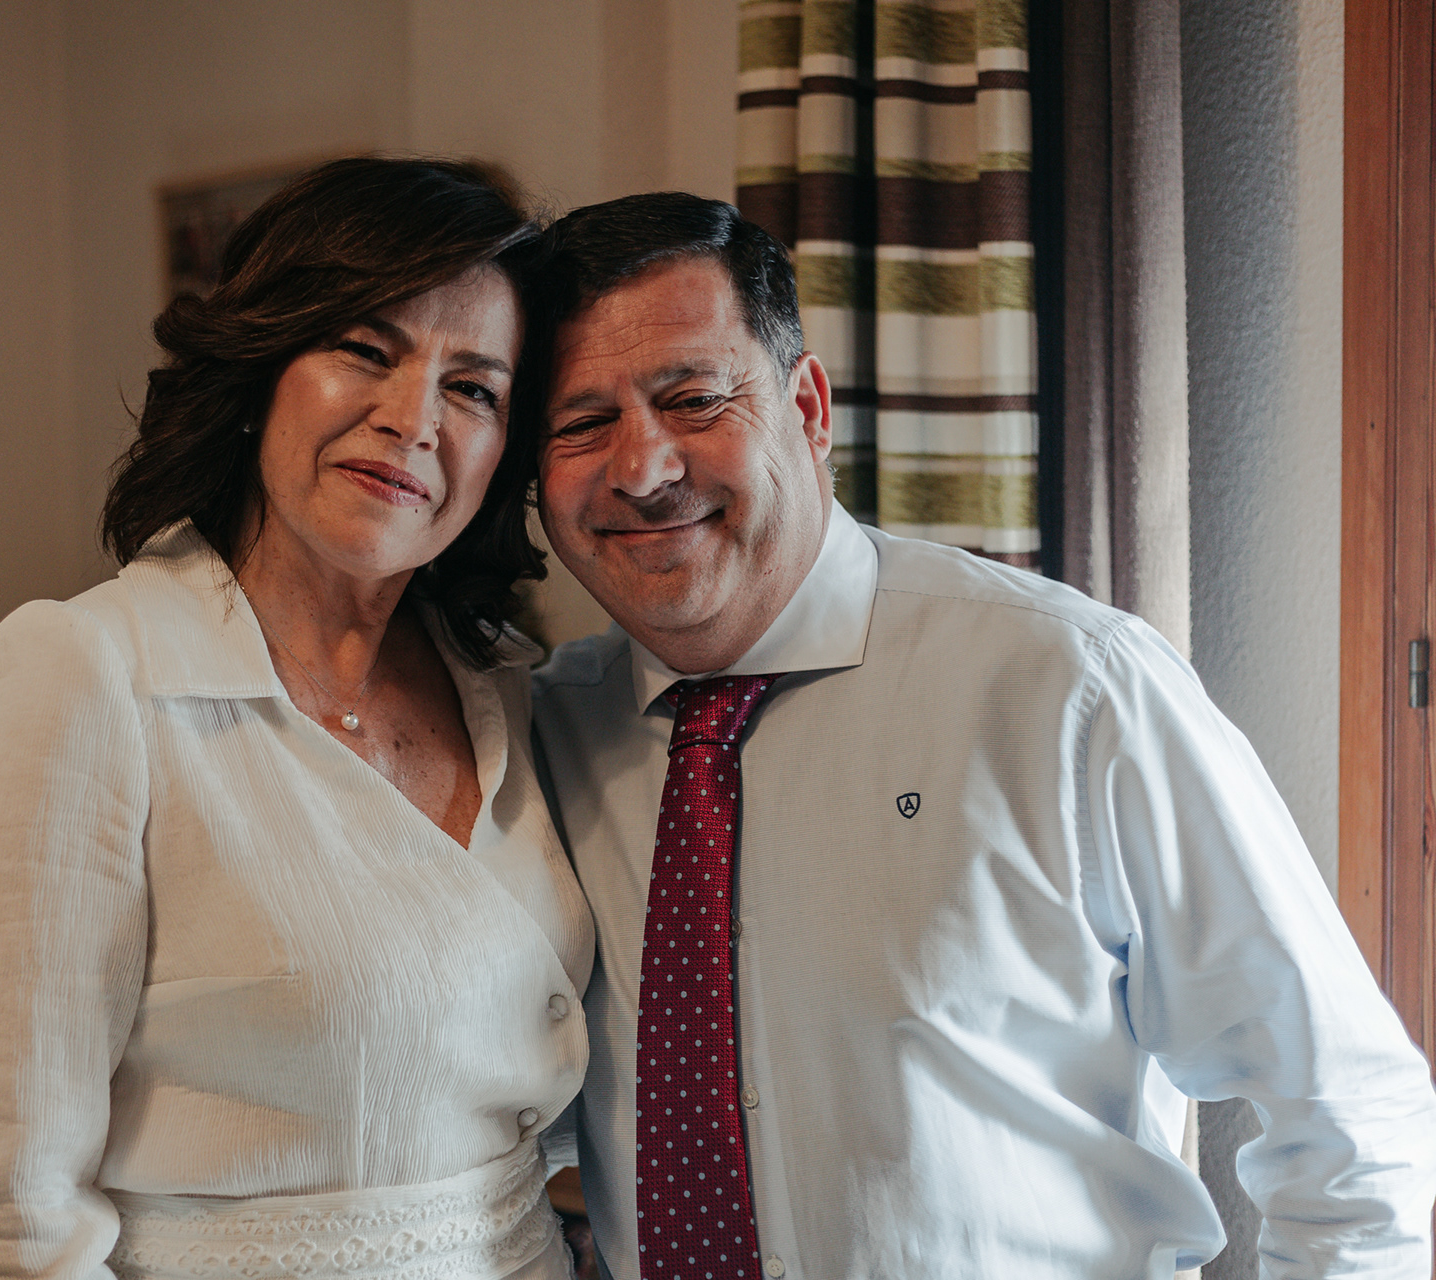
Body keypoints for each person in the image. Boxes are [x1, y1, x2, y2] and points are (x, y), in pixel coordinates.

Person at [526, 192, 1436, 1280]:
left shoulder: (1070, 685)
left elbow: (1344, 1114)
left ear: (807, 408)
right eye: (581, 424)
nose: (641, 467)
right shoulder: (540, 737)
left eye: (693, 399)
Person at [0, 157, 593, 1280]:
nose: (413, 420)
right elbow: (14, 1222)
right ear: (259, 368)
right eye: (366, 350)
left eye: (474, 389)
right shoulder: (88, 673)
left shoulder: (511, 687)